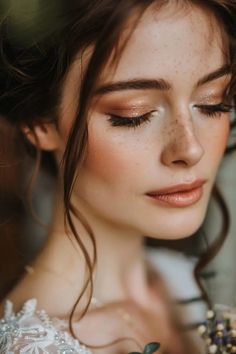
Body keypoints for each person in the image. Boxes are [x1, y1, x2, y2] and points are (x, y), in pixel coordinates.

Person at [0, 0, 235, 353]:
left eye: (213, 102)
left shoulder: (179, 280)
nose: (191, 149)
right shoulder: (35, 346)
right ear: (41, 121)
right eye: (134, 114)